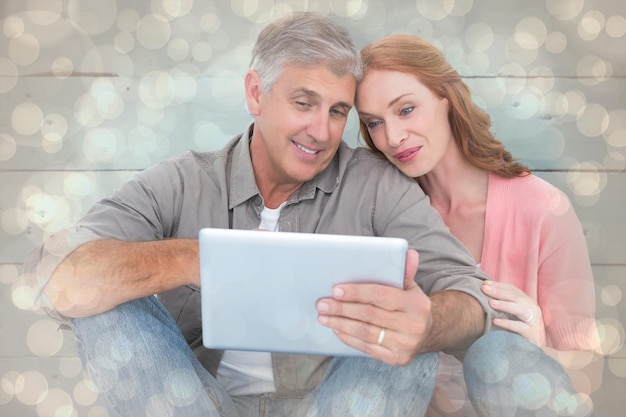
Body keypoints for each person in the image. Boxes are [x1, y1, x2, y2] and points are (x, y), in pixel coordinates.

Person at [21, 12, 503, 417]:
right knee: (105, 300)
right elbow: (55, 276)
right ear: (255, 93)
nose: (321, 130)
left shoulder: (377, 186)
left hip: (333, 402)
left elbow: (469, 294)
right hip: (196, 401)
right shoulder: (183, 181)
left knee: (405, 335)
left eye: (338, 111)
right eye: (303, 103)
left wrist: (428, 323)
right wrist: (197, 259)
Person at [355, 33, 602, 417]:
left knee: (496, 353)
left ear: (446, 99)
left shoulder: (542, 209)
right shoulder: (380, 216)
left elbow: (590, 373)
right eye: (374, 123)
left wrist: (535, 348)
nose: (392, 137)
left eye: (405, 110)